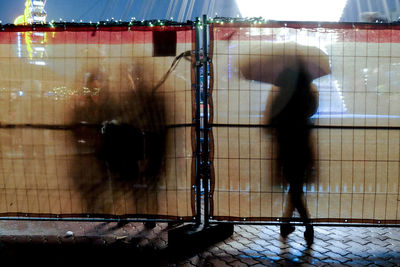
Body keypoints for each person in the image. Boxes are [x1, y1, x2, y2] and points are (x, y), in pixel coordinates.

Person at [266, 62, 318, 247]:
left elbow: (269, 123)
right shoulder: (308, 95)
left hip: (287, 147)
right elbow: (312, 111)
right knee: (295, 188)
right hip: (303, 148)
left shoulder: (281, 98)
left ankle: (306, 225)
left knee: (295, 189)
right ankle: (286, 223)